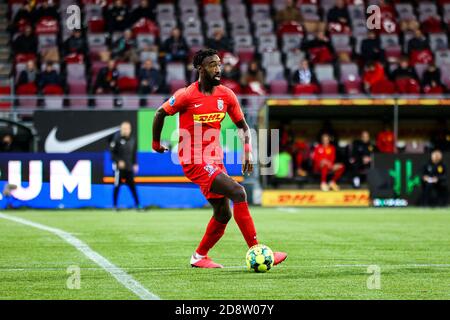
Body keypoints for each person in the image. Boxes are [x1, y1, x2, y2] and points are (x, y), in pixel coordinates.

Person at [152, 48, 287, 268]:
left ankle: (198, 257)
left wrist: (247, 151)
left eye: (219, 64)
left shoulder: (226, 95)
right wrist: (156, 143)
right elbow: (160, 113)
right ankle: (258, 250)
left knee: (223, 213)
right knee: (238, 191)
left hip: (214, 159)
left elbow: (243, 126)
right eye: (212, 64)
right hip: (193, 159)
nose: (218, 69)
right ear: (200, 68)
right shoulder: (186, 95)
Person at [110, 121, 141, 209]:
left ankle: (138, 205)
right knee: (117, 186)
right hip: (118, 169)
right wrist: (118, 161)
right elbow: (112, 154)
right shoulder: (116, 138)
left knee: (133, 187)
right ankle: (115, 206)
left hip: (129, 167)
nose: (125, 130)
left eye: (127, 128)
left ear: (130, 129)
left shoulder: (132, 139)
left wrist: (135, 164)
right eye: (124, 128)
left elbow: (134, 153)